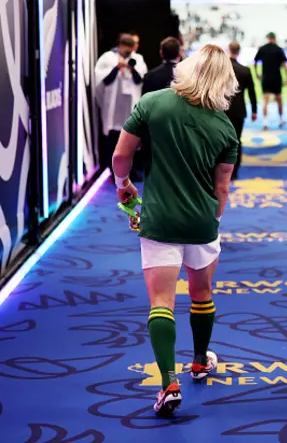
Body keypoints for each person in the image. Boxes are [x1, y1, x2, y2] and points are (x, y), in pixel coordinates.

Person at [111, 44, 239, 416]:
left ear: (187, 67)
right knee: (201, 293)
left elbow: (122, 156)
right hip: (202, 222)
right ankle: (200, 360)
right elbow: (222, 189)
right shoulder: (224, 126)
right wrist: (211, 224)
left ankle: (169, 383)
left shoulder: (153, 102)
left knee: (161, 303)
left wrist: (123, 184)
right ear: (224, 82)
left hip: (159, 220)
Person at [95, 33, 147, 182]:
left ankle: (132, 172)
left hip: (130, 107)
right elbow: (103, 81)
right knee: (114, 140)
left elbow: (140, 81)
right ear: (120, 46)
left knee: (132, 141)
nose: (128, 53)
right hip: (114, 108)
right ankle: (114, 172)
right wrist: (116, 68)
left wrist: (132, 68)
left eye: (130, 50)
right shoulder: (108, 58)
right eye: (126, 50)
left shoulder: (138, 59)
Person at [226, 41, 258, 180]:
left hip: (222, 109)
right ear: (238, 52)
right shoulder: (245, 70)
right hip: (239, 110)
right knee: (237, 141)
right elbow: (252, 92)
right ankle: (234, 172)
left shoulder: (222, 70)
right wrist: (254, 110)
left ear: (229, 50)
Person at [254, 32, 287, 130]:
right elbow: (284, 65)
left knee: (265, 100)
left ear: (268, 38)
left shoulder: (262, 49)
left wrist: (257, 74)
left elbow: (255, 62)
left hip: (266, 77)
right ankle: (281, 120)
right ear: (275, 38)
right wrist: (286, 78)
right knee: (279, 99)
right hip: (277, 77)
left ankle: (265, 122)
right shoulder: (279, 49)